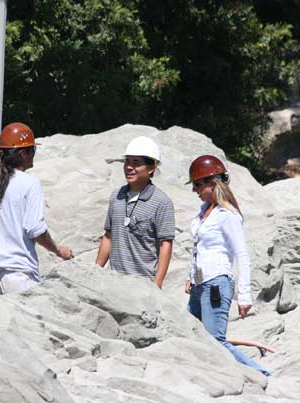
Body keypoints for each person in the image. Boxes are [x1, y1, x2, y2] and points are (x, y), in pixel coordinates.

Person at [185, 154, 271, 376]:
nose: (194, 190)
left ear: (212, 184)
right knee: (191, 335)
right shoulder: (203, 212)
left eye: (197, 185)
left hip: (216, 284)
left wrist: (244, 296)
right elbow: (198, 249)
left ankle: (259, 374)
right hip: (199, 285)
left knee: (216, 341)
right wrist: (190, 277)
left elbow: (241, 254)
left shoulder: (227, 215)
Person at [0, 122, 73, 294]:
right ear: (23, 153)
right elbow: (35, 229)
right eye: (33, 150)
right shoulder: (29, 183)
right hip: (18, 275)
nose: (34, 154)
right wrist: (57, 250)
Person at [95, 136, 175, 289]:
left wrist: (157, 284)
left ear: (151, 168)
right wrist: (96, 270)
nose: (129, 167)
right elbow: (108, 236)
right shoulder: (116, 196)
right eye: (127, 162)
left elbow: (166, 244)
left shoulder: (162, 202)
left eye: (136, 163)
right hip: (115, 282)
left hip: (144, 286)